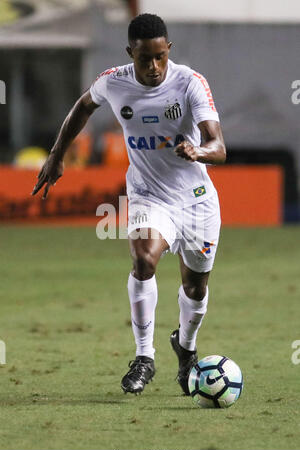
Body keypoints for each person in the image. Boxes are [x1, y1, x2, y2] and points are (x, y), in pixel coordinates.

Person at [31, 13, 226, 396]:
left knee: (196, 288)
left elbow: (219, 147)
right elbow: (83, 106)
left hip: (196, 202)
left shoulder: (189, 82)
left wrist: (198, 151)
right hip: (148, 195)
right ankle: (144, 356)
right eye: (143, 59)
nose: (153, 67)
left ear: (168, 50)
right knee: (143, 259)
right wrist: (57, 155)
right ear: (129, 53)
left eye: (159, 57)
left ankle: (185, 346)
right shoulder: (114, 81)